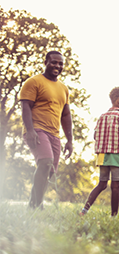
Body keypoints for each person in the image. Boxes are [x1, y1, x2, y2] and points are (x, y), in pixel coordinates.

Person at [20, 50, 73, 210]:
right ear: (46, 62)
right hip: (36, 130)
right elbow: (25, 106)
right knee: (45, 162)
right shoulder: (33, 82)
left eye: (60, 63)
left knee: (50, 171)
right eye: (54, 62)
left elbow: (66, 115)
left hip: (54, 134)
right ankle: (37, 205)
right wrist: (30, 130)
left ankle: (33, 203)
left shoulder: (64, 89)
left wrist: (70, 140)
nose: (57, 65)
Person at [80, 86, 119, 216]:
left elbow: (95, 135)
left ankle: (84, 210)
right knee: (115, 185)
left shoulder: (102, 116)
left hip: (102, 155)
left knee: (102, 184)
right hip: (115, 153)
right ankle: (114, 216)